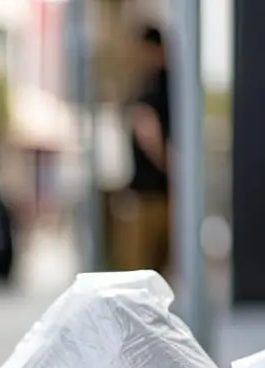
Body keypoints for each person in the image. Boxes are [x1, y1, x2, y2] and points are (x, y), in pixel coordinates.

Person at [109, 24, 172, 275]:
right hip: (153, 190)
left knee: (140, 269)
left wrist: (168, 167)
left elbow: (148, 131)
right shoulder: (160, 83)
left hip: (151, 191)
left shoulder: (156, 84)